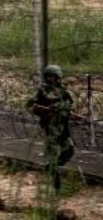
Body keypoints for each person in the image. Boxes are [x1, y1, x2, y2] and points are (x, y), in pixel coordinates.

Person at [28, 64, 80, 193]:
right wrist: (46, 110)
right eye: (48, 76)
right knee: (53, 154)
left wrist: (74, 116)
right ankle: (56, 187)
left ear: (58, 77)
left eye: (53, 76)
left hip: (63, 127)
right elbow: (31, 106)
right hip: (51, 128)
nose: (51, 79)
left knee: (69, 150)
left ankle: (52, 167)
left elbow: (68, 109)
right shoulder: (42, 92)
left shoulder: (64, 92)